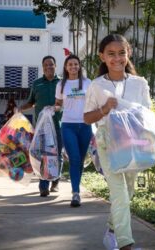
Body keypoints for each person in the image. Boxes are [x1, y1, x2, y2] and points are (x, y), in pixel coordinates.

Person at [83, 34, 155, 250]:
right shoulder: (96, 85)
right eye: (111, 54)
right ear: (102, 56)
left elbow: (148, 113)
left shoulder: (139, 83)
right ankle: (125, 245)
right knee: (119, 194)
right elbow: (87, 118)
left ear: (128, 54)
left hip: (134, 144)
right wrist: (105, 109)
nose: (117, 58)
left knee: (128, 193)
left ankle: (112, 231)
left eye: (122, 53)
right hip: (107, 144)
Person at [20, 55, 62, 197]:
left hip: (58, 124)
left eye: (51, 64)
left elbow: (67, 102)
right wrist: (19, 109)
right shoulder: (36, 84)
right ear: (42, 67)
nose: (49, 67)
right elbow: (31, 102)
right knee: (42, 155)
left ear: (55, 66)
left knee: (57, 155)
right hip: (42, 128)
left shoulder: (62, 83)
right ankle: (43, 186)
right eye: (46, 65)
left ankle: (55, 180)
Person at [55, 54, 92, 207]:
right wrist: (52, 108)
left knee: (81, 160)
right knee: (75, 158)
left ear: (79, 66)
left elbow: (94, 101)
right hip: (68, 125)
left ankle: (76, 188)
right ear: (66, 67)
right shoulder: (61, 85)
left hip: (85, 125)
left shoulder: (87, 83)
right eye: (70, 64)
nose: (73, 67)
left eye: (75, 64)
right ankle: (75, 193)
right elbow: (58, 104)